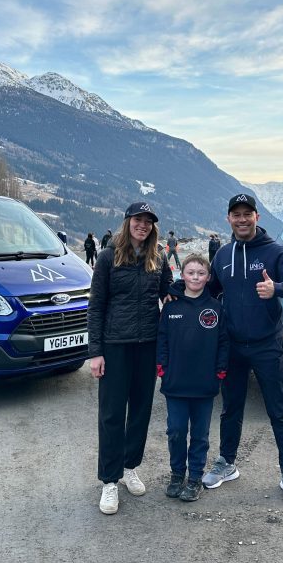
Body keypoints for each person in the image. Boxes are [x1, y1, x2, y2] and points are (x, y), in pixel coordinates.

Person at [201, 193, 283, 504]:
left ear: (256, 217)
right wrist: (179, 297)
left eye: (247, 213)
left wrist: (277, 287)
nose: (242, 219)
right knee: (230, 408)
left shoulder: (275, 252)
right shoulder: (222, 255)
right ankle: (226, 463)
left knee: (279, 410)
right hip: (233, 345)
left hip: (267, 344)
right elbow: (210, 291)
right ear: (229, 219)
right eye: (236, 214)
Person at [87, 202, 173, 515]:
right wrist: (95, 352)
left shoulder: (158, 256)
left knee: (140, 410)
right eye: (138, 219)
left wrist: (196, 288)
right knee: (111, 413)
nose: (143, 225)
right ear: (127, 222)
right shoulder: (109, 256)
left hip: (147, 344)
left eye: (148, 221)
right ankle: (109, 480)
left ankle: (129, 467)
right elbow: (96, 306)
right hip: (114, 345)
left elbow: (168, 292)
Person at [157, 254, 229, 502]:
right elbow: (162, 339)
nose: (195, 277)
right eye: (190, 273)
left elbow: (223, 342)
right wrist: (161, 366)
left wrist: (220, 369)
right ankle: (177, 474)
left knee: (200, 435)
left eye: (200, 273)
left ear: (208, 277)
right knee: (176, 431)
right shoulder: (171, 306)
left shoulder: (215, 308)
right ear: (182, 275)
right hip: (175, 382)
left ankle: (195, 477)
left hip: (204, 383)